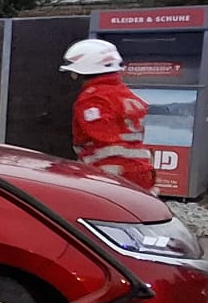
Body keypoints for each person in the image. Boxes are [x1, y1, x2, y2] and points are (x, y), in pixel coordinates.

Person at [61, 38, 155, 191]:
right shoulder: (125, 94)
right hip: (141, 170)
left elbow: (103, 139)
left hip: (109, 174)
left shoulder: (93, 98)